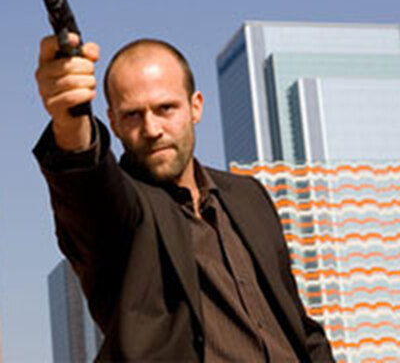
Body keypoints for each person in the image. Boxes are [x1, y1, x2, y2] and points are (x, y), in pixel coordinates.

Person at [34, 33, 334, 362]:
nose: (152, 129)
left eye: (165, 108)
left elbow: (299, 325)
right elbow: (87, 189)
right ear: (114, 123)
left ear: (195, 107)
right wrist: (71, 119)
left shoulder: (249, 196)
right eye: (133, 115)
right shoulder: (122, 212)